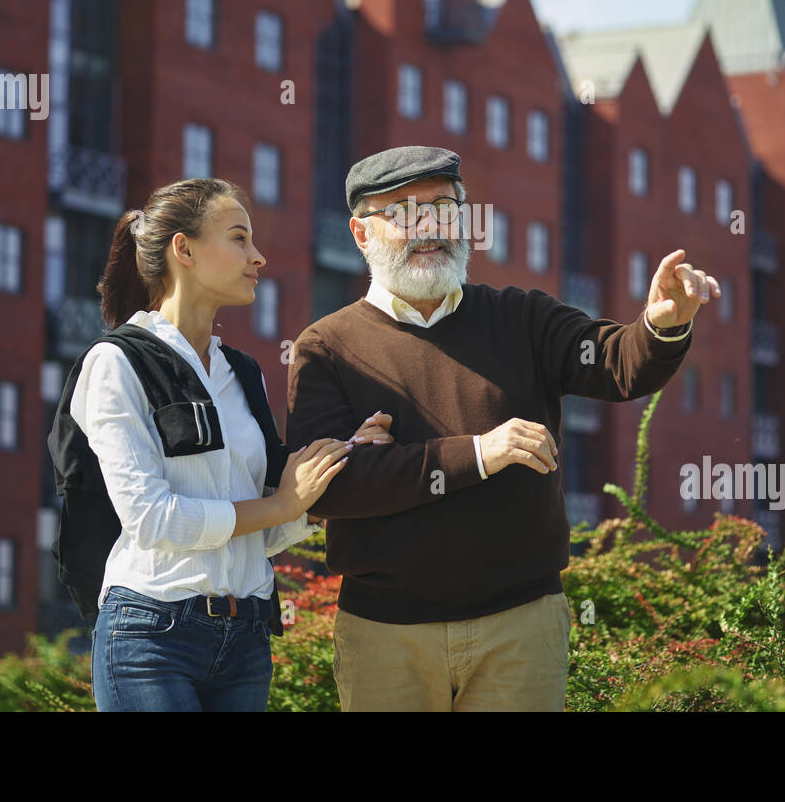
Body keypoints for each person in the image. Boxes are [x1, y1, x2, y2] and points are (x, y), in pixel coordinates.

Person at [286, 146, 719, 711]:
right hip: (385, 633)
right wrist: (480, 454)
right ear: (361, 234)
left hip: (521, 627)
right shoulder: (326, 348)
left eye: (443, 208)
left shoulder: (522, 317)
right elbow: (331, 488)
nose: (430, 228)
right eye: (405, 212)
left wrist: (662, 324)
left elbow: (617, 363)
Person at [76, 176, 392, 711]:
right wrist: (279, 504)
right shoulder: (117, 363)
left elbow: (258, 532)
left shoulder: (242, 373)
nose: (259, 257)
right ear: (185, 249)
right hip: (152, 633)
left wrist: (337, 464)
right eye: (239, 238)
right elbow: (151, 519)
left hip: (246, 638)